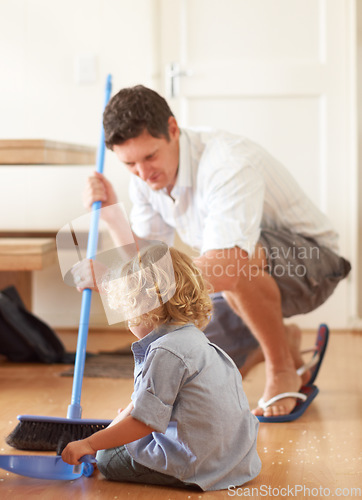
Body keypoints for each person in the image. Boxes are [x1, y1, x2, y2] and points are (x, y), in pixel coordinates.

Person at [82, 85, 351, 419]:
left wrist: (117, 279)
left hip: (313, 267)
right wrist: (111, 215)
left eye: (150, 157)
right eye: (130, 164)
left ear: (172, 129)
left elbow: (226, 268)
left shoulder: (227, 163)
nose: (143, 173)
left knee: (236, 262)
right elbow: (148, 255)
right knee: (189, 369)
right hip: (246, 277)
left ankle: (281, 370)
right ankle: (282, 339)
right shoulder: (145, 176)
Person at [61, 243, 261, 491]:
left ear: (142, 307)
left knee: (107, 458)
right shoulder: (196, 340)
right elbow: (144, 406)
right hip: (236, 461)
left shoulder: (164, 351)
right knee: (130, 425)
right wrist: (132, 415)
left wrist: (91, 444)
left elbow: (143, 424)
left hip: (198, 466)